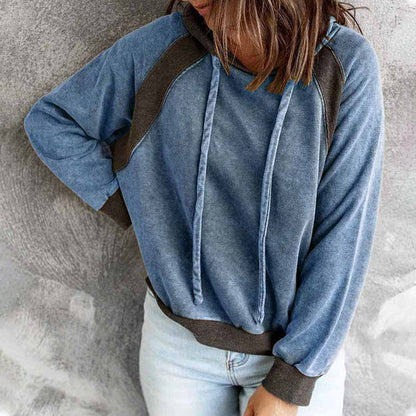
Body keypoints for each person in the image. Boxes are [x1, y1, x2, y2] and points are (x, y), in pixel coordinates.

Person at [23, 0, 385, 415]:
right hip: (177, 350)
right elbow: (53, 121)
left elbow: (344, 238)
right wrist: (142, 208)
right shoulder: (163, 47)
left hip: (296, 350)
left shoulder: (344, 66)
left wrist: (290, 383)